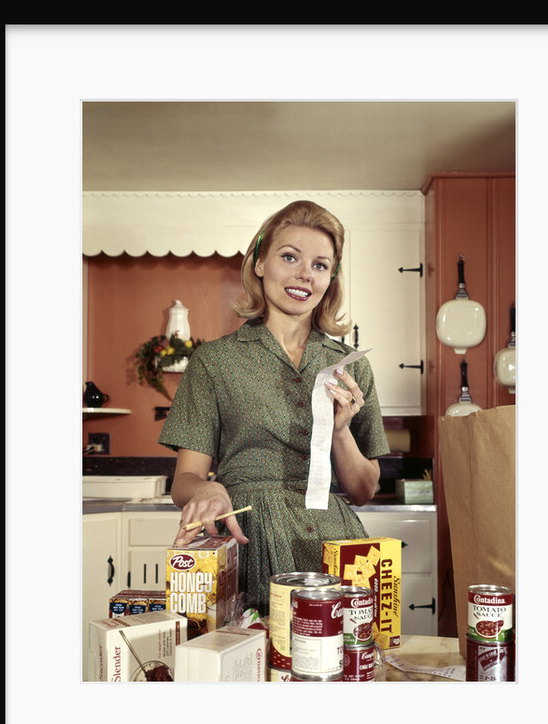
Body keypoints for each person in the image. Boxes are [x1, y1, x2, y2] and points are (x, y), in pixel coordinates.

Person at [158, 200, 390, 614]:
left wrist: (340, 432)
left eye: (320, 265)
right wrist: (209, 488)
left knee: (343, 663)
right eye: (289, 257)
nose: (305, 274)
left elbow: (363, 489)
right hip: (250, 537)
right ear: (260, 263)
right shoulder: (214, 362)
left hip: (335, 543)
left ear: (330, 278)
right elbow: (185, 480)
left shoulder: (352, 366)